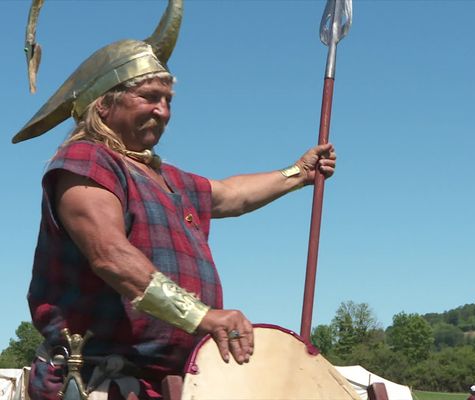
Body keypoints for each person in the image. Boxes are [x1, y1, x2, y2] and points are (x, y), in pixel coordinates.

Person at [14, 1, 336, 399]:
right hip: (97, 381)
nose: (163, 111)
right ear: (104, 104)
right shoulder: (86, 160)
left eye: (168, 100)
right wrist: (202, 317)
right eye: (150, 97)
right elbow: (110, 256)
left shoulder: (168, 180)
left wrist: (297, 174)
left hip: (163, 382)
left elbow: (231, 195)